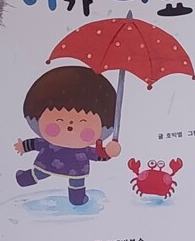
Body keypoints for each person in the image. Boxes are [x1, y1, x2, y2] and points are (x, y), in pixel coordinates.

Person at [15, 65, 122, 206]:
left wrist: (109, 152)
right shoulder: (49, 144)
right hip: (48, 161)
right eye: (59, 120)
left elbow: (98, 154)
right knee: (41, 173)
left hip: (76, 168)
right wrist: (24, 146)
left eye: (83, 122)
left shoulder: (84, 150)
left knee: (77, 183)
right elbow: (36, 143)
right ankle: (25, 178)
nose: (70, 127)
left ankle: (77, 198)